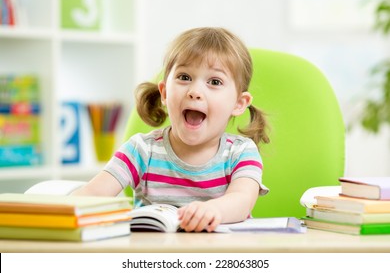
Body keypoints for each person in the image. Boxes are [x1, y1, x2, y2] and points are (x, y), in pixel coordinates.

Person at [73, 27, 270, 232]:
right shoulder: (140, 150)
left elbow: (242, 200)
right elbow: (93, 194)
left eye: (214, 82)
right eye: (184, 77)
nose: (195, 92)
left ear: (239, 103)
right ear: (165, 93)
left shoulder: (241, 152)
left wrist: (213, 211)